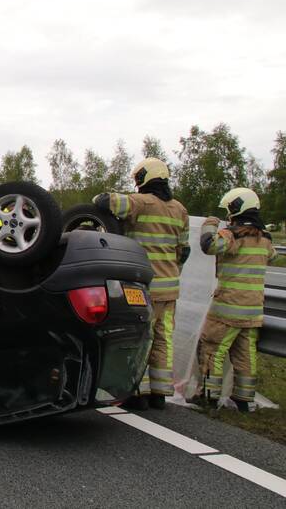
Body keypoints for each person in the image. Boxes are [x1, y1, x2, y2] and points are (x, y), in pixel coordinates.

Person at [93, 157, 190, 410]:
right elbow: (184, 250)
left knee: (140, 338)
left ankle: (137, 393)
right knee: (162, 339)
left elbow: (104, 202)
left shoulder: (140, 202)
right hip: (170, 287)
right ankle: (159, 393)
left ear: (143, 178)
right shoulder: (180, 209)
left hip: (144, 287)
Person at [195, 188, 279, 412]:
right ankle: (244, 400)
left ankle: (208, 396)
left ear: (236, 209)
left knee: (213, 350)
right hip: (253, 310)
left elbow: (209, 246)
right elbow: (273, 256)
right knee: (245, 355)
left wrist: (210, 225)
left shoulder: (232, 236)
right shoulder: (266, 241)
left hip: (227, 309)